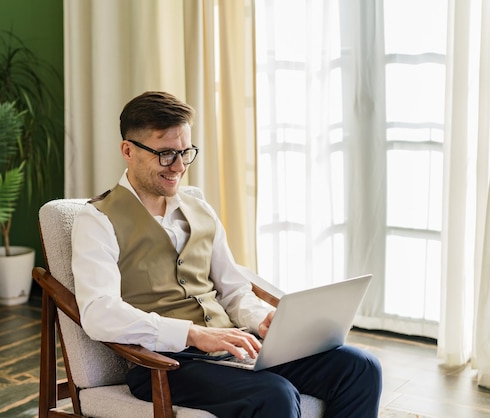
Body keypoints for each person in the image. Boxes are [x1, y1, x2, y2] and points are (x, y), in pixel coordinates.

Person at [71, 91, 382, 417]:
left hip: (232, 349)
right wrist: (193, 334)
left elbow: (233, 288)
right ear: (128, 151)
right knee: (275, 395)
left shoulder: (199, 208)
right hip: (164, 364)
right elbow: (99, 313)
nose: (179, 166)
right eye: (165, 154)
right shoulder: (98, 220)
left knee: (360, 367)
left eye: (185, 152)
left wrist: (259, 320)